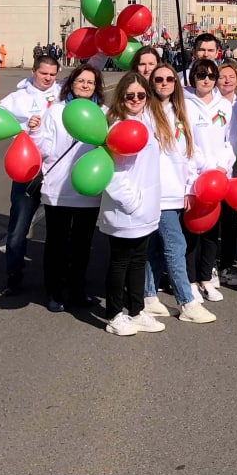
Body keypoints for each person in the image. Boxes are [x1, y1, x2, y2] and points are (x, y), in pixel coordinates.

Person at [0, 54, 60, 295]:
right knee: (17, 229)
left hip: (57, 169)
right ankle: (14, 278)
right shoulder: (18, 98)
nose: (48, 78)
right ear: (34, 71)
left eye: (52, 74)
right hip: (28, 170)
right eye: (44, 73)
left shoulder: (64, 92)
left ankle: (57, 281)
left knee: (58, 233)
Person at [140, 64, 215, 323]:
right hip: (156, 192)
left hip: (176, 191)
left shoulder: (182, 112)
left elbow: (189, 154)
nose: (164, 83)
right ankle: (187, 302)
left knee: (158, 248)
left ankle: (148, 296)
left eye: (169, 79)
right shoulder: (146, 113)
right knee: (176, 244)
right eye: (158, 79)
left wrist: (191, 186)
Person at [28, 63, 105, 312]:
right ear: (71, 83)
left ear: (96, 87)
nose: (85, 85)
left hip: (88, 192)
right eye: (80, 80)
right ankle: (55, 292)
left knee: (82, 247)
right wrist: (35, 131)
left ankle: (78, 290)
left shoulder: (103, 112)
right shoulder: (56, 111)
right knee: (56, 246)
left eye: (90, 82)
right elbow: (45, 150)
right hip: (58, 190)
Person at [99, 73, 166, 336]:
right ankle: (114, 314)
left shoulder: (147, 121)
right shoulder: (116, 125)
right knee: (120, 262)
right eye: (130, 95)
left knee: (139, 261)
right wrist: (132, 202)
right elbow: (113, 173)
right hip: (125, 208)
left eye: (141, 95)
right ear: (121, 97)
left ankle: (136, 311)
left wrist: (147, 203)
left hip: (146, 208)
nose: (136, 100)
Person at [183, 58, 232, 300]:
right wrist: (192, 175)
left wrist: (223, 167)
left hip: (217, 178)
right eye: (201, 75)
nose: (206, 80)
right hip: (193, 178)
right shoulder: (183, 103)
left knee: (212, 231)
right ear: (193, 77)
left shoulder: (224, 105)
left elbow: (229, 140)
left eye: (211, 76)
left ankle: (205, 277)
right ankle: (190, 280)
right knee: (191, 230)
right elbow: (183, 142)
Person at [216, 58, 237, 287]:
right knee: (209, 219)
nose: (226, 80)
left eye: (231, 76)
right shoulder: (209, 104)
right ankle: (206, 266)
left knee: (230, 219)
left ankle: (227, 263)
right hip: (215, 170)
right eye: (222, 76)